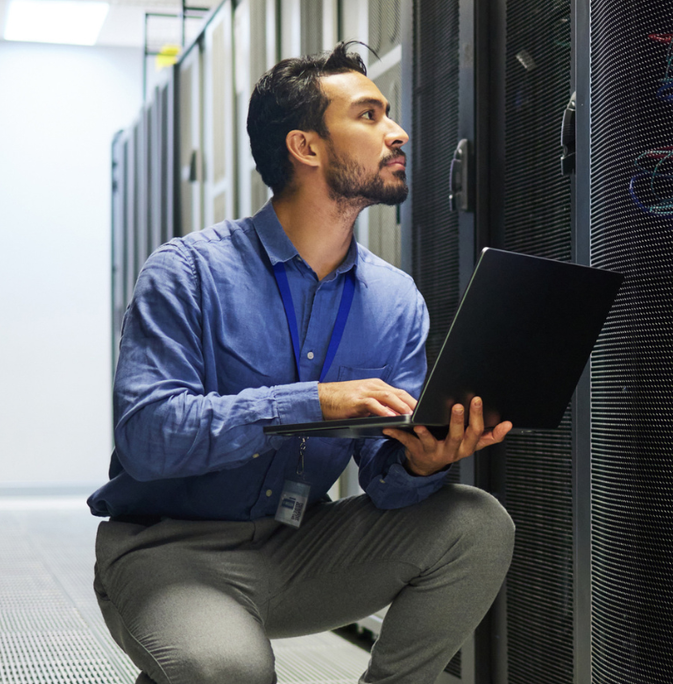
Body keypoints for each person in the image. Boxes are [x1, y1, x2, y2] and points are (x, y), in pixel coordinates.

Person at [86, 43, 515, 684]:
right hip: (169, 551)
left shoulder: (395, 300)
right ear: (305, 147)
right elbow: (148, 438)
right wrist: (312, 400)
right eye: (369, 116)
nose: (397, 132)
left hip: (298, 550)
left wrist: (421, 461)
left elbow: (384, 478)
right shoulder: (187, 273)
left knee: (476, 525)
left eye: (389, 114)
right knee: (228, 669)